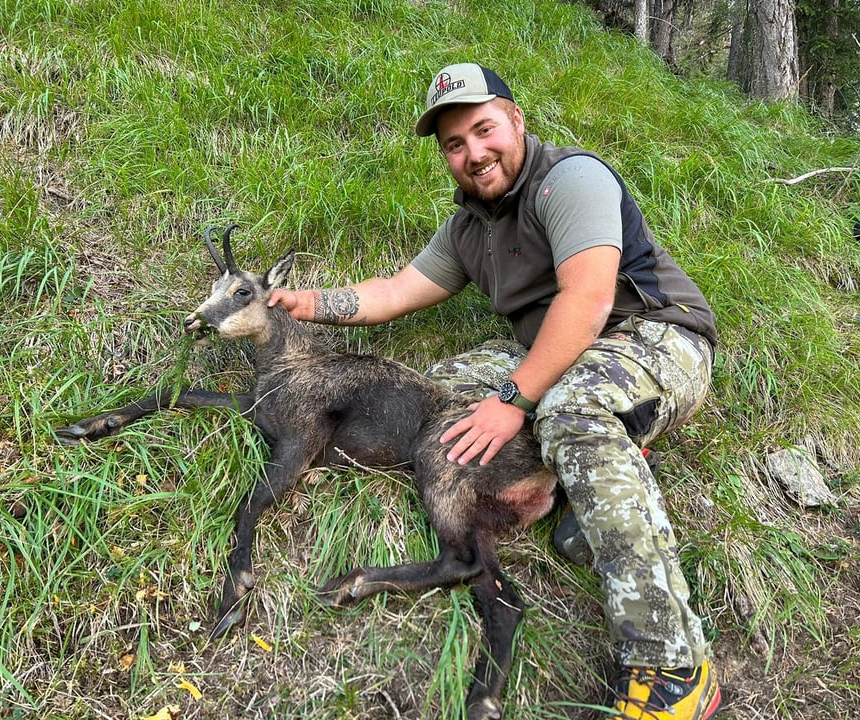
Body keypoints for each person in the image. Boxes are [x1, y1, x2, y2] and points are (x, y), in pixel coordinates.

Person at [269, 62, 721, 720]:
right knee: (439, 395)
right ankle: (584, 481)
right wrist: (308, 302)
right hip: (560, 351)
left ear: (516, 121)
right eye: (454, 144)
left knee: (569, 408)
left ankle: (673, 664)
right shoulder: (468, 228)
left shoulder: (571, 180)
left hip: (657, 339)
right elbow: (397, 291)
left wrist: (512, 401)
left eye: (484, 130)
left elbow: (590, 300)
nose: (473, 153)